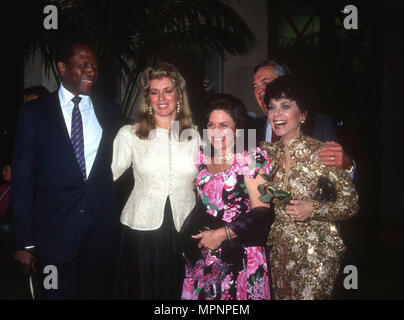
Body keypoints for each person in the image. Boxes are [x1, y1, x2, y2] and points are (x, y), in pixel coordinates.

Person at [12, 37, 122, 299]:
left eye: (94, 66)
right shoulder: (34, 114)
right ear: (62, 67)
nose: (91, 72)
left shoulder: (111, 112)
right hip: (53, 239)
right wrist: (25, 244)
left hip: (99, 238)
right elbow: (23, 181)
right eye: (83, 65)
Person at [260, 75, 359, 299]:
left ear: (303, 114)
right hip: (280, 253)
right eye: (272, 107)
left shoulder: (322, 153)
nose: (277, 115)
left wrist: (313, 208)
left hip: (317, 255)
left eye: (286, 106)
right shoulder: (266, 153)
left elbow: (351, 205)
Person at [111, 61, 200, 300]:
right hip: (141, 232)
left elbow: (228, 163)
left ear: (179, 95)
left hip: (186, 229)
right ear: (147, 97)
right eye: (154, 92)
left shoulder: (197, 136)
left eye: (168, 90)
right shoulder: (129, 135)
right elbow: (104, 177)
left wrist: (255, 156)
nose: (161, 98)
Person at [181, 93, 272, 300]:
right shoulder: (203, 160)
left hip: (240, 255)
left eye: (224, 125)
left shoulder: (251, 158)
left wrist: (222, 234)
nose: (216, 131)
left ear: (238, 129)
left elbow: (262, 212)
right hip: (205, 257)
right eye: (211, 125)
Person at [251, 60, 355, 176]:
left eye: (265, 82)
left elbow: (338, 176)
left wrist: (348, 166)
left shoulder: (322, 124)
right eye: (255, 87)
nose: (259, 90)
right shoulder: (247, 128)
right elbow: (236, 174)